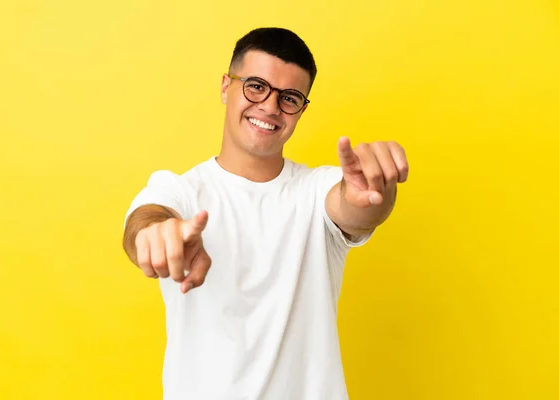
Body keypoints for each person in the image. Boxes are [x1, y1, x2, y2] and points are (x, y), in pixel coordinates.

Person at [122, 27, 409, 400]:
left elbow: (354, 208)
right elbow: (145, 222)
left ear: (302, 110)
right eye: (256, 86)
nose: (271, 107)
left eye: (289, 98)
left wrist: (374, 191)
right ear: (226, 86)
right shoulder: (179, 190)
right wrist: (157, 235)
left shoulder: (316, 189)